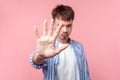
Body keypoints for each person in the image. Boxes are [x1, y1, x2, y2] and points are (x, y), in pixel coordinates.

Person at [30, 4, 90, 80]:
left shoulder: (79, 47)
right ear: (54, 23)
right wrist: (41, 55)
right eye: (60, 25)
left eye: (68, 26)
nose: (65, 30)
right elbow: (35, 62)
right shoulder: (48, 46)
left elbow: (85, 75)